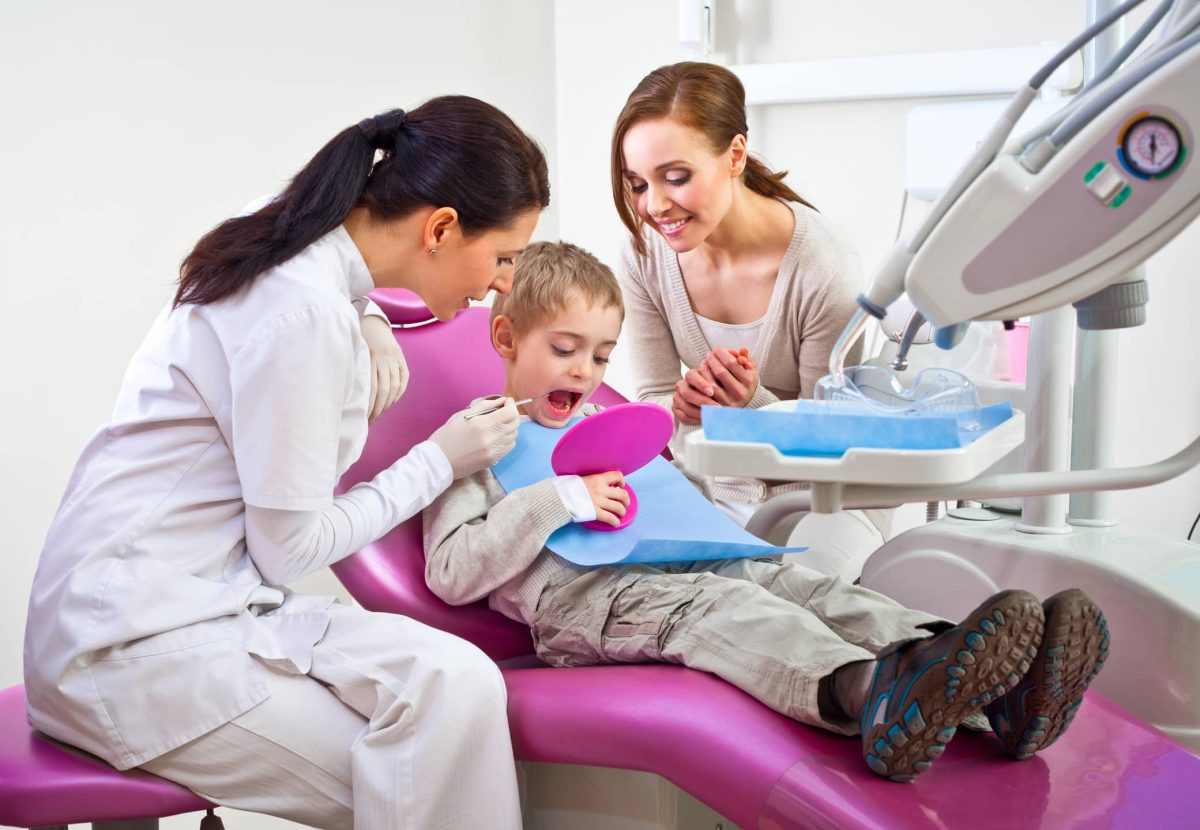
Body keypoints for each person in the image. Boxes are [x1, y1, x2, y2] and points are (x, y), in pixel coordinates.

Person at [23, 98, 549, 830]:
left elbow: (326, 281)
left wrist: (368, 317)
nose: (502, 283)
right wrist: (438, 461)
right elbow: (288, 549)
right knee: (438, 779)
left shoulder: (289, 225)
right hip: (128, 649)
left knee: (459, 681)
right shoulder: (304, 317)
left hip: (199, 603)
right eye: (503, 257)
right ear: (440, 228)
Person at [422, 241, 1110, 782]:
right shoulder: (477, 440)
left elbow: (663, 503)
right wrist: (557, 498)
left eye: (601, 356)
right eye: (564, 350)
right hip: (585, 602)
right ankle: (871, 694)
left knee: (804, 587)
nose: (585, 372)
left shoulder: (604, 419)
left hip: (686, 563)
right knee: (731, 614)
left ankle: (994, 692)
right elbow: (451, 571)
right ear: (508, 339)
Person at [611, 61, 889, 580]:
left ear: (734, 155)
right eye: (638, 184)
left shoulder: (823, 266)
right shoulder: (645, 256)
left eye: (676, 177)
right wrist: (680, 408)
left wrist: (748, 406)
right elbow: (650, 397)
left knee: (788, 595)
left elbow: (832, 443)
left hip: (826, 498)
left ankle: (922, 653)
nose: (655, 205)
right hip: (719, 486)